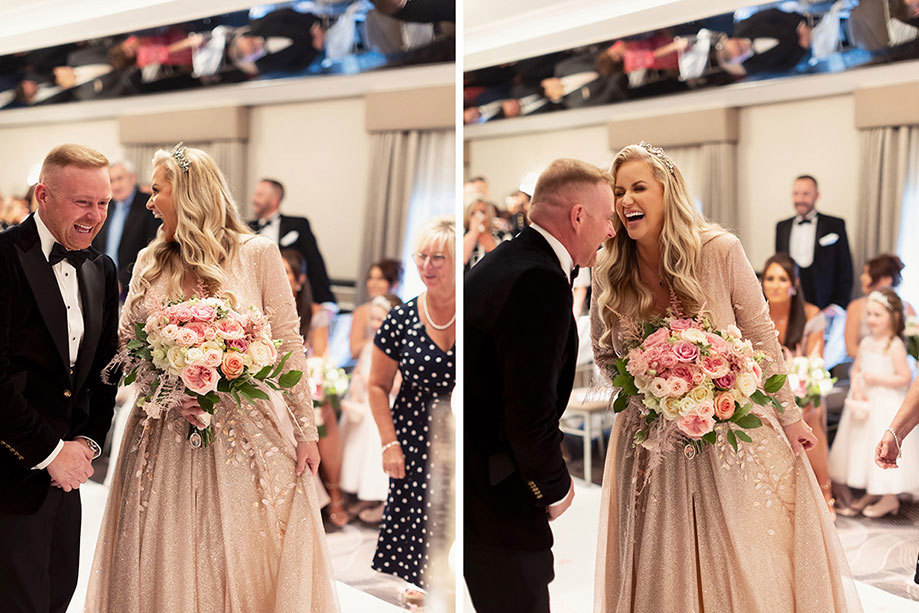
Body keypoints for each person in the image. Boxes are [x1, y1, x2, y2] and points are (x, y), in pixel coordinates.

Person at [591, 143, 859, 611]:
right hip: (648, 439)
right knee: (661, 555)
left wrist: (791, 418)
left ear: (667, 192)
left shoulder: (719, 250)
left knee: (745, 552)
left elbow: (760, 336)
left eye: (638, 188)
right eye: (618, 192)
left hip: (727, 428)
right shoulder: (610, 265)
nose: (626, 201)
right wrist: (648, 387)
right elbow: (602, 352)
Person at [85, 145, 339, 611]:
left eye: (157, 190)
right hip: (162, 430)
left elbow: (287, 342)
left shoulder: (257, 254)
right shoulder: (149, 259)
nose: (148, 202)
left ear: (186, 193)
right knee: (169, 543)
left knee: (246, 545)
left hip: (245, 427)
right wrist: (168, 393)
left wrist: (306, 431)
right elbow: (125, 349)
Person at [464, 159, 616, 613]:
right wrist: (552, 486)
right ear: (577, 216)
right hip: (498, 491)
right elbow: (528, 409)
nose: (611, 230)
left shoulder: (507, 259)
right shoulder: (538, 281)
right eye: (607, 217)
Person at [0, 144, 119, 612]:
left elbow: (107, 371)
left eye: (104, 202)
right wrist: (49, 452)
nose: (95, 215)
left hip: (67, 478)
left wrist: (88, 443)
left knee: (55, 596)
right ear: (43, 195)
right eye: (82, 202)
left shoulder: (101, 268)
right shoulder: (4, 257)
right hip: (10, 468)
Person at [368, 216, 455, 590]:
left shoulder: (476, 312)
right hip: (414, 437)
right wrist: (390, 444)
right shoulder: (400, 319)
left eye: (438, 258)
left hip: (464, 437)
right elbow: (376, 386)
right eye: (421, 256)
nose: (426, 266)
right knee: (418, 536)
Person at [830, 288, 918, 518]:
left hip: (887, 404)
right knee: (863, 448)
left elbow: (905, 377)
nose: (871, 319)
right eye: (869, 314)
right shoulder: (867, 341)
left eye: (878, 315)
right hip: (866, 403)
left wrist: (876, 379)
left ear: (894, 317)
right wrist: (857, 386)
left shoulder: (895, 344)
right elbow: (856, 367)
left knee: (884, 445)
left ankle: (889, 497)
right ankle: (874, 491)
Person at [762, 252, 834, 517]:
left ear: (794, 284)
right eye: (770, 278)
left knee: (812, 413)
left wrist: (799, 389)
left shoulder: (811, 314)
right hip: (764, 389)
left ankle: (825, 491)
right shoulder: (756, 313)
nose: (776, 285)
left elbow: (817, 360)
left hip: (802, 389)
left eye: (782, 279)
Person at [340, 293, 403, 525]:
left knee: (375, 452)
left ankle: (384, 501)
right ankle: (366, 496)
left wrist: (370, 382)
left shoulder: (396, 349)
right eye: (373, 319)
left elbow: (396, 384)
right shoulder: (369, 346)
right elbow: (358, 372)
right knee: (357, 450)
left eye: (380, 319)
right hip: (363, 407)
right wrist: (356, 387)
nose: (375, 324)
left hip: (382, 408)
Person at [250, 178, 336, 307]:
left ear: (275, 199)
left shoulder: (298, 225)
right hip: (257, 298)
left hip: (292, 298)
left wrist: (326, 301)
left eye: (259, 195)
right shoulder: (247, 227)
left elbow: (314, 262)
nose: (253, 200)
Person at [775, 175, 853, 310]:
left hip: (825, 303)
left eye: (805, 194)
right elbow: (779, 265)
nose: (800, 199)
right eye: (796, 194)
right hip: (791, 301)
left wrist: (837, 305)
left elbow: (845, 267)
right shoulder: (782, 226)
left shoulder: (835, 225)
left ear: (817, 195)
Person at [91, 160, 160, 298]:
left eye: (120, 178)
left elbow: (153, 248)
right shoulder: (104, 206)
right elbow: (96, 246)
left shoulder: (149, 205)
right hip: (102, 282)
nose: (115, 185)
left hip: (137, 284)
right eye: (111, 180)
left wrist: (122, 279)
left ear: (132, 178)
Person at [845, 253, 917, 358]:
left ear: (886, 280)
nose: (862, 278)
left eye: (868, 274)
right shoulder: (855, 307)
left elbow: (913, 346)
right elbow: (850, 349)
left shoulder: (907, 308)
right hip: (865, 367)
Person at [350, 259, 403, 359]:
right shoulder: (361, 311)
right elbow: (354, 351)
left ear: (395, 283)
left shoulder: (402, 311)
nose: (373, 283)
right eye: (370, 278)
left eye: (380, 279)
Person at [463, 194, 511, 271]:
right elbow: (461, 260)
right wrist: (474, 233)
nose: (478, 216)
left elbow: (506, 263)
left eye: (482, 212)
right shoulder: (462, 236)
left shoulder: (503, 235)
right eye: (473, 213)